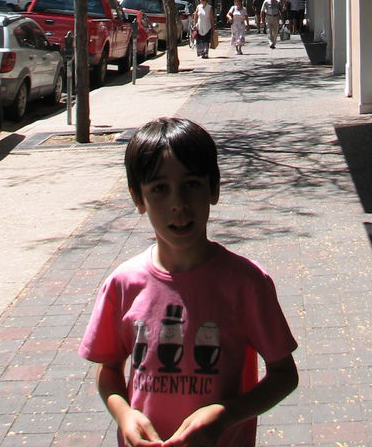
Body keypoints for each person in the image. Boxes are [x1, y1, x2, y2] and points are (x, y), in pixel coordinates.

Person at [79, 117, 299, 447]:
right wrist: (124, 414)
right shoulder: (122, 284)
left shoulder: (246, 283)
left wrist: (227, 415)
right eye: (159, 189)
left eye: (192, 184)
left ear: (214, 189)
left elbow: (284, 375)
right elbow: (108, 370)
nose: (177, 204)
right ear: (138, 198)